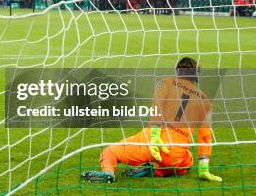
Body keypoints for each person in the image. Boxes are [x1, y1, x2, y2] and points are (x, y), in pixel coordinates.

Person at [81, 57, 222, 183]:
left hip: (150, 142)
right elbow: (205, 136)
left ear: (177, 71)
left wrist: (155, 136)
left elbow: (157, 107)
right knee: (187, 161)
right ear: (196, 75)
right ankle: (155, 170)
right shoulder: (205, 101)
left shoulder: (165, 83)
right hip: (173, 154)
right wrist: (204, 168)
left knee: (109, 152)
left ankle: (108, 173)